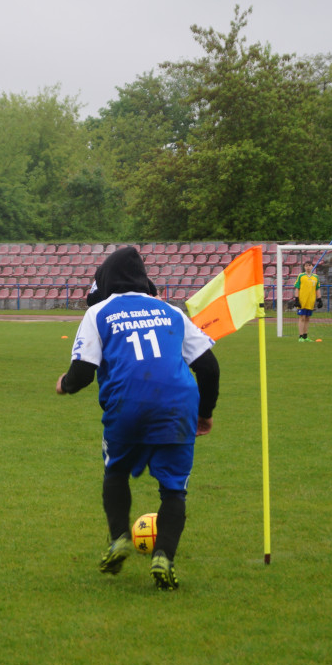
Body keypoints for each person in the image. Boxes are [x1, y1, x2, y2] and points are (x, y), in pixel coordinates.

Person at [55, 247, 220, 591]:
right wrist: (204, 414)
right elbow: (207, 366)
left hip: (127, 403)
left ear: (105, 283)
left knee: (115, 472)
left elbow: (83, 371)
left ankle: (119, 539)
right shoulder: (170, 311)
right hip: (178, 405)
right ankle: (163, 557)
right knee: (174, 490)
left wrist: (65, 385)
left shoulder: (99, 312)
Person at [292, 260, 322, 342]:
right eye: (306, 266)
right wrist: (296, 299)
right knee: (302, 318)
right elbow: (297, 288)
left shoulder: (316, 277)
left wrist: (319, 299)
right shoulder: (301, 276)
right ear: (304, 267)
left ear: (312, 266)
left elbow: (317, 289)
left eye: (309, 265)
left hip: (311, 301)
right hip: (302, 301)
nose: (308, 267)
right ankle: (300, 336)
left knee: (308, 318)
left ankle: (305, 336)